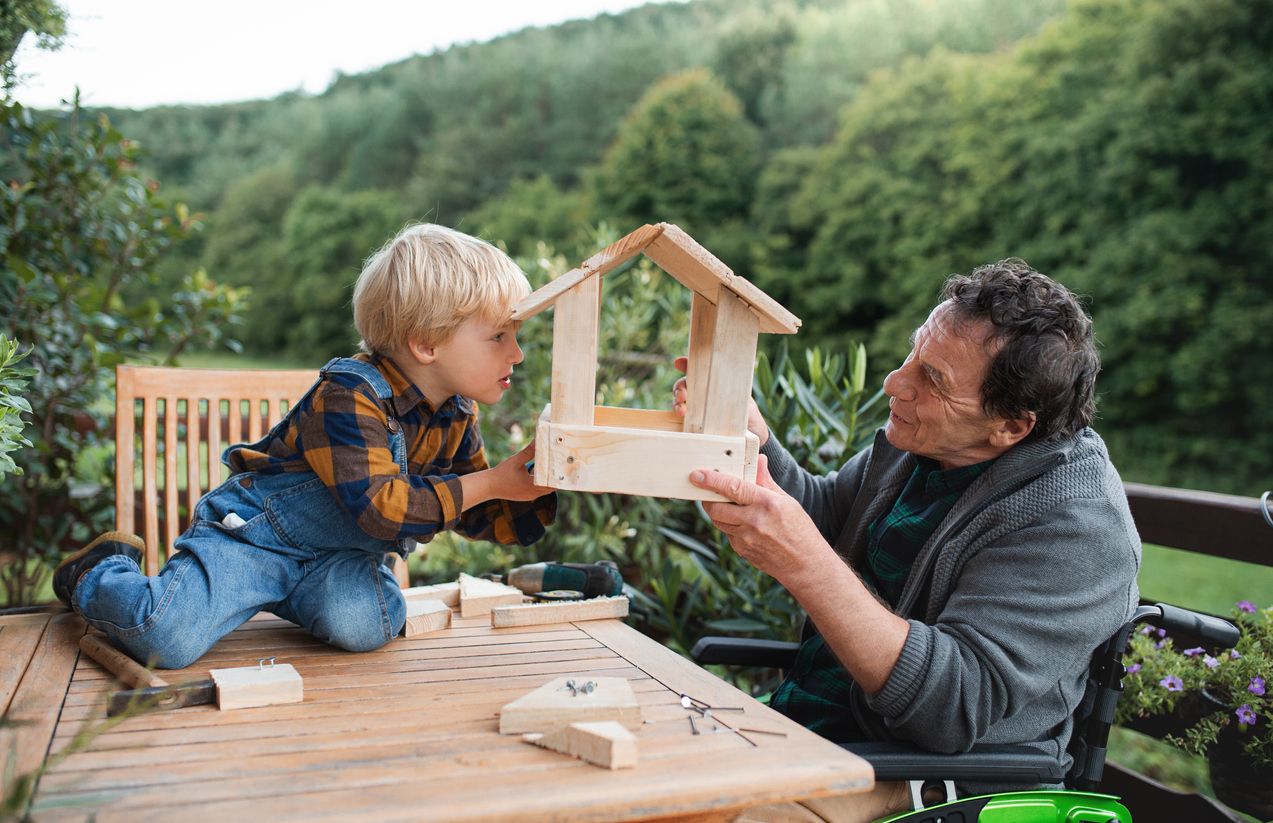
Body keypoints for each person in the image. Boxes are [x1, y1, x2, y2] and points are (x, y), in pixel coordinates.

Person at [676, 260, 1141, 823]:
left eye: (934, 380)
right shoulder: (922, 441)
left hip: (928, 777)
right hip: (815, 731)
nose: (896, 384)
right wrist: (756, 445)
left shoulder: (1076, 524)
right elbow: (827, 521)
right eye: (913, 354)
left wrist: (803, 563)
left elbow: (951, 708)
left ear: (1012, 426)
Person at [54, 224, 557, 669]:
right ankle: (98, 572)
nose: (517, 352)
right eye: (499, 336)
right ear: (426, 343)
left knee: (368, 626)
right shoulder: (349, 397)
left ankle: (284, 594)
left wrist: (554, 478)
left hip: (334, 557)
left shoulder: (455, 413)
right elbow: (385, 511)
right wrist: (493, 481)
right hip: (253, 540)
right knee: (166, 638)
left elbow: (476, 512)